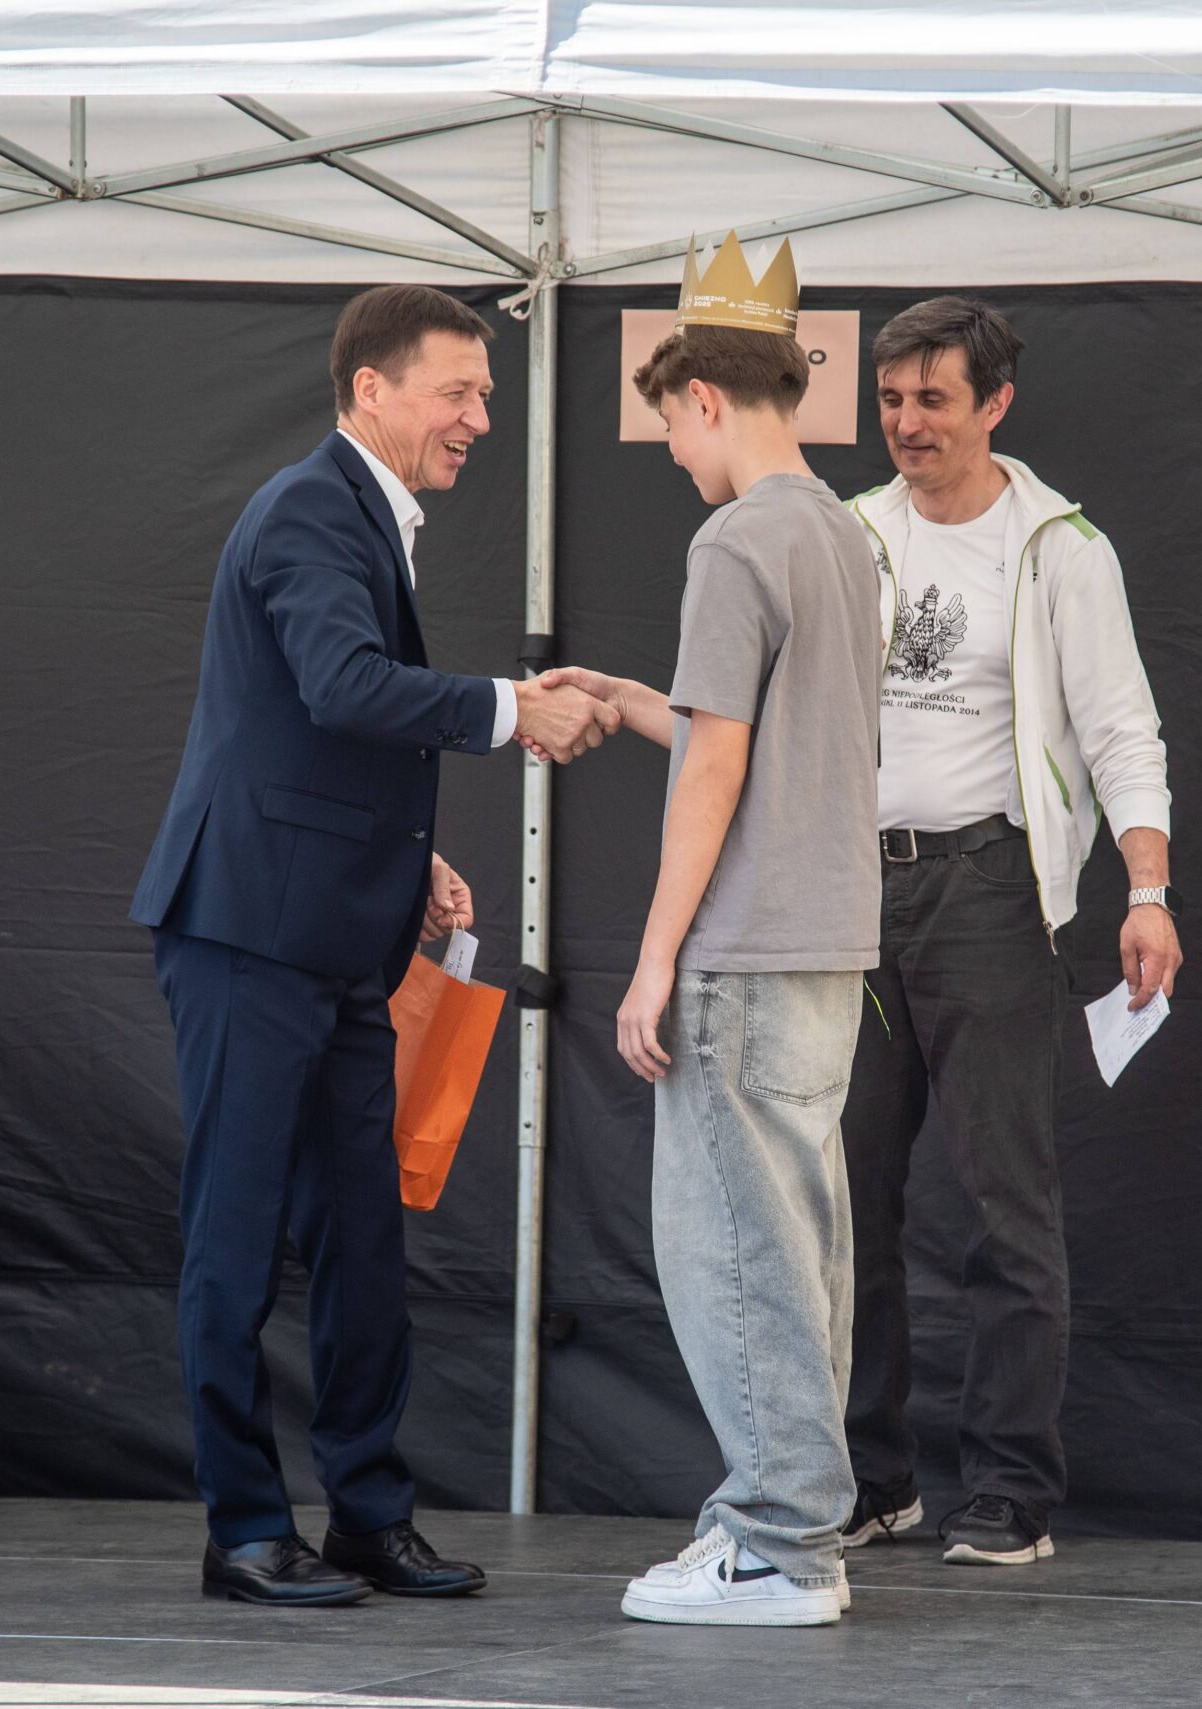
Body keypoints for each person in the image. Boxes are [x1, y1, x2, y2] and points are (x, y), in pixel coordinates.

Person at [128, 284, 618, 1607]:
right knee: (235, 1240)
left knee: (361, 1239)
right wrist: (514, 710)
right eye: (458, 392)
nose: (481, 418)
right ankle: (245, 1530)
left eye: (486, 394)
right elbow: (344, 686)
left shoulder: (359, 516)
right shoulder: (307, 509)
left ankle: (366, 1515)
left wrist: (408, 863)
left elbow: (310, 733)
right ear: (370, 391)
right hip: (246, 933)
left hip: (336, 937)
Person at [530, 234, 881, 1627]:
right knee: (802, 1245)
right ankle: (796, 1527)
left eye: (671, 425)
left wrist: (655, 953)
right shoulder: (843, 533)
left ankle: (778, 1544)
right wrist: (636, 698)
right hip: (830, 943)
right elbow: (767, 734)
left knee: (734, 1248)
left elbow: (725, 764)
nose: (674, 453)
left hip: (743, 948)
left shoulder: (734, 538)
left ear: (704, 399)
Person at [837, 297, 1179, 1568]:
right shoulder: (850, 532)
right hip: (851, 890)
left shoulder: (1059, 546)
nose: (907, 422)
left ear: (994, 404)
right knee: (842, 1199)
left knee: (1003, 1205)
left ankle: (1008, 1489)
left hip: (990, 886)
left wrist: (1146, 889)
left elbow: (1122, 727)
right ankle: (869, 1478)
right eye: (890, 399)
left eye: (933, 399)